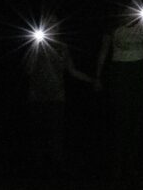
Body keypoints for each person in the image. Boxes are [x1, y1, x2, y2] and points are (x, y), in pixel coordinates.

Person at [95, 8, 143, 180]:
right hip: (119, 72)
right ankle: (116, 165)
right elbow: (104, 51)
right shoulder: (113, 27)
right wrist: (98, 76)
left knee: (136, 118)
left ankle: (131, 164)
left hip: (138, 72)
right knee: (120, 118)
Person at [24, 18, 93, 175]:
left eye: (55, 26)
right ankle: (38, 169)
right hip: (37, 95)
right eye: (49, 26)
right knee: (38, 134)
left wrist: (92, 80)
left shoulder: (63, 47)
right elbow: (28, 69)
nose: (52, 29)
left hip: (57, 96)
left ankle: (56, 170)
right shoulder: (36, 45)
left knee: (56, 134)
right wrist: (35, 47)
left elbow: (72, 70)